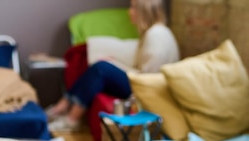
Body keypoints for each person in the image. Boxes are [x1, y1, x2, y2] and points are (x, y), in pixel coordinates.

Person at [47, 0, 180, 131]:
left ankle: (71, 118)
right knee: (102, 66)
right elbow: (140, 69)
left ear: (144, 11)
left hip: (146, 90)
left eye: (133, 8)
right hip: (142, 83)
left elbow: (145, 79)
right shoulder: (154, 32)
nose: (129, 12)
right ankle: (63, 106)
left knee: (101, 68)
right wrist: (114, 64)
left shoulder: (155, 35)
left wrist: (111, 67)